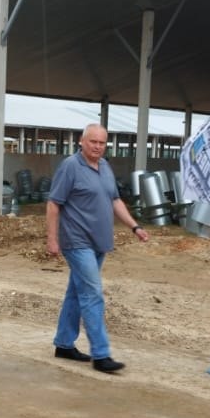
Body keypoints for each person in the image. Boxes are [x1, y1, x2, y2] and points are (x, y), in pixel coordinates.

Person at [45, 123, 149, 373]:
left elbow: (115, 200)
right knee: (92, 294)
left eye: (102, 143)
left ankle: (63, 343)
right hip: (76, 241)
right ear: (82, 141)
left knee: (76, 292)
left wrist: (134, 226)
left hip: (99, 242)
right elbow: (53, 204)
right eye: (93, 141)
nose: (98, 147)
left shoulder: (104, 167)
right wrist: (52, 239)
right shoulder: (70, 166)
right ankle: (101, 354)